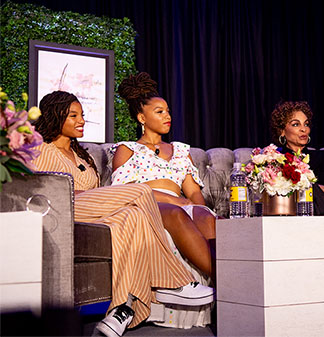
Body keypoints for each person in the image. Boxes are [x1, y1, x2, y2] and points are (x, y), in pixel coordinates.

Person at [32, 91, 214, 337]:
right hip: (63, 209)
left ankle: (121, 311)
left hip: (91, 212)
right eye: (73, 116)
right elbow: (39, 191)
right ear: (55, 117)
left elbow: (96, 194)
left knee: (133, 216)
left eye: (82, 115)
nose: (82, 121)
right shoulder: (40, 149)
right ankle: (175, 279)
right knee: (140, 192)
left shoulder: (80, 155)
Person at [110, 72, 217, 328]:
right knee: (177, 211)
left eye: (168, 110)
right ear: (141, 118)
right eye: (159, 111)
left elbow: (192, 192)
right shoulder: (127, 150)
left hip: (182, 204)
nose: (167, 116)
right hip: (148, 205)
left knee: (205, 215)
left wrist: (197, 206)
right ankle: (232, 283)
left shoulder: (181, 150)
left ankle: (229, 278)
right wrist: (176, 201)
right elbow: (126, 190)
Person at [269, 100, 324, 215]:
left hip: (320, 214)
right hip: (286, 213)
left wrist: (302, 187)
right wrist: (315, 188)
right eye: (296, 124)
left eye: (306, 124)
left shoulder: (323, 157)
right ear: (282, 131)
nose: (304, 129)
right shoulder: (274, 159)